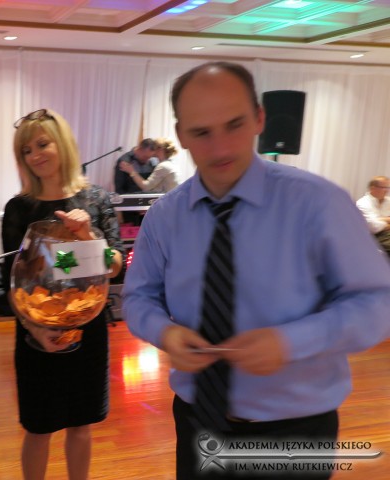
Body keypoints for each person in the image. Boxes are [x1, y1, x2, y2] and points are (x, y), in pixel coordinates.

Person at [122, 61, 390, 479]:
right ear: (180, 135)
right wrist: (165, 332)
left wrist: (292, 341)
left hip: (295, 430)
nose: (221, 148)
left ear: (259, 118)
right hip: (198, 421)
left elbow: (377, 302)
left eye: (234, 125)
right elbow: (139, 297)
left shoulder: (318, 203)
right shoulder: (165, 216)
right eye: (201, 132)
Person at [1, 108, 124, 480]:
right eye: (26, 150)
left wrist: (87, 237)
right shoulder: (19, 208)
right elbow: (13, 283)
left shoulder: (96, 200)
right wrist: (36, 330)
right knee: (38, 427)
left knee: (81, 424)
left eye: (42, 144)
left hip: (87, 331)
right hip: (35, 334)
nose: (35, 155)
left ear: (62, 143)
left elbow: (116, 266)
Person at [356, 175, 390, 256]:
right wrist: (387, 220)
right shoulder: (363, 203)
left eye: (388, 188)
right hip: (372, 236)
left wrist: (379, 219)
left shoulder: (388, 201)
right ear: (373, 188)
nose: (387, 191)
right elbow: (373, 226)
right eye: (383, 187)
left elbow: (375, 222)